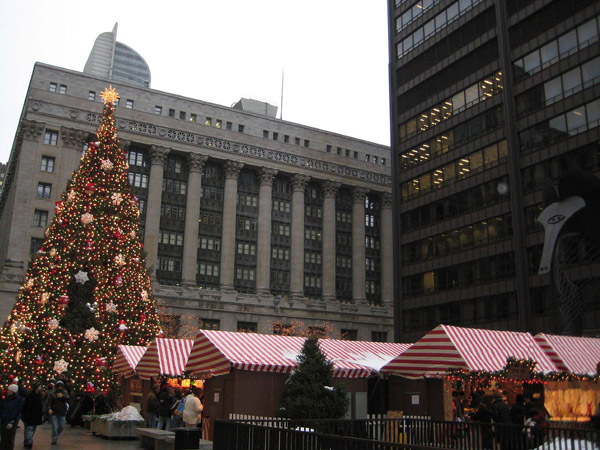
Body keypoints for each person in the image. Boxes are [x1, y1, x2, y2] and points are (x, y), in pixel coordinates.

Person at [0, 384, 25, 450]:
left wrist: (12, 421)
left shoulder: (19, 400)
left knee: (10, 437)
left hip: (12, 420)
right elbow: (2, 407)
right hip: (4, 419)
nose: (8, 392)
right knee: (3, 437)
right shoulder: (6, 398)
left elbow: (18, 411)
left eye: (9, 391)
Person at [47, 380, 70, 445]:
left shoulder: (65, 392)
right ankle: (54, 439)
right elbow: (50, 402)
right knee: (54, 426)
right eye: (58, 386)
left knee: (62, 426)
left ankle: (56, 435)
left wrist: (62, 397)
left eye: (61, 386)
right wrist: (50, 408)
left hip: (62, 412)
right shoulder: (53, 393)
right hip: (55, 412)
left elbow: (68, 398)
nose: (60, 387)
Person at [21, 383, 43, 448]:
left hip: (36, 415)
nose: (40, 387)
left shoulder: (39, 395)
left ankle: (27, 440)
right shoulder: (30, 395)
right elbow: (26, 406)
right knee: (29, 428)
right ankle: (29, 441)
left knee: (32, 429)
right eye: (39, 386)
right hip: (29, 414)